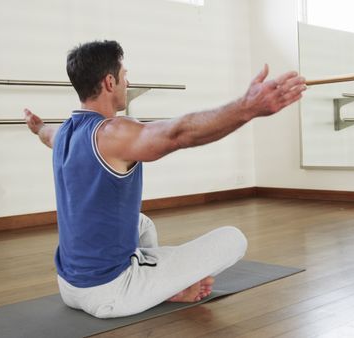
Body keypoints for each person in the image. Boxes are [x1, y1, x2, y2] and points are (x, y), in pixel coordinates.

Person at [24, 40, 306, 318]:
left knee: (142, 223)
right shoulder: (112, 133)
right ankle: (159, 288)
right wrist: (247, 107)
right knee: (234, 239)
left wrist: (37, 127)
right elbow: (178, 133)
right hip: (109, 291)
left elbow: (45, 134)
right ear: (109, 82)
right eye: (124, 76)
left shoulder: (63, 133)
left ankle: (159, 285)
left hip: (69, 287)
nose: (127, 83)